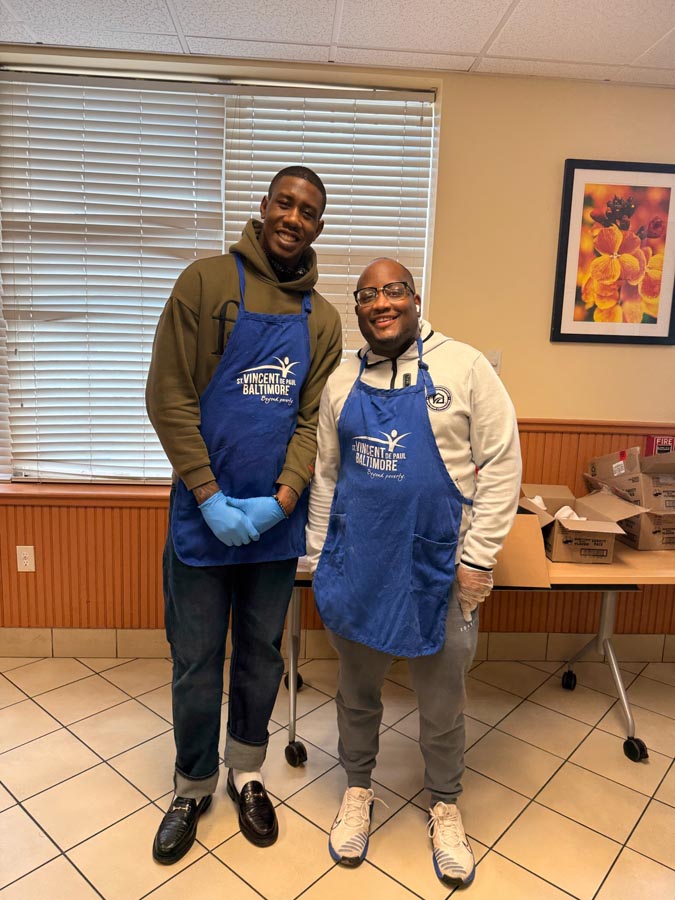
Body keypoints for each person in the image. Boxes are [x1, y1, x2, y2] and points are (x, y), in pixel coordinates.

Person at [146, 166, 342, 864]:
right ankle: (193, 782)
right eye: (284, 203)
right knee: (195, 658)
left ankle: (247, 772)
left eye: (309, 211)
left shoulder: (322, 318)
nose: (294, 217)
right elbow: (168, 395)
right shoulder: (202, 282)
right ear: (263, 208)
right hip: (204, 518)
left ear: (319, 226)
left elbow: (312, 422)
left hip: (274, 525)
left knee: (260, 657)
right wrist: (207, 494)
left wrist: (282, 499)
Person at [306, 258, 521, 888]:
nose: (381, 304)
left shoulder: (465, 367)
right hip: (360, 566)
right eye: (368, 295)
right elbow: (325, 472)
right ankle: (356, 790)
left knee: (442, 702)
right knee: (356, 693)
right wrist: (320, 558)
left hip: (438, 571)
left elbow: (502, 463)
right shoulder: (343, 377)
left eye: (393, 291)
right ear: (358, 307)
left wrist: (478, 558)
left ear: (415, 297)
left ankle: (445, 803)